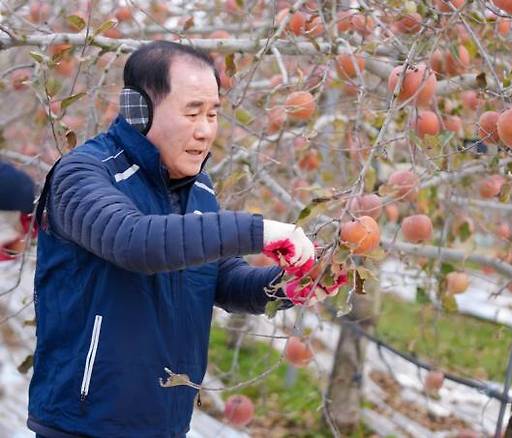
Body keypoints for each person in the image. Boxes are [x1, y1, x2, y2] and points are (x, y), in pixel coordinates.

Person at [27, 40, 315, 437]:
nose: (205, 130)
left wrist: (291, 287)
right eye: (192, 112)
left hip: (166, 426)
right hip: (82, 426)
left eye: (213, 114)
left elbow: (222, 280)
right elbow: (133, 241)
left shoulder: (200, 191)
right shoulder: (82, 175)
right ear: (138, 110)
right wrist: (258, 231)